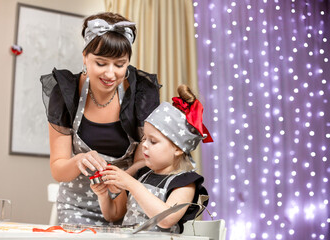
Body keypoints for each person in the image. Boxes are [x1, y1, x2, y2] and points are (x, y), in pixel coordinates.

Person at [40, 12, 161, 225]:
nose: (110, 74)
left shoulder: (141, 93)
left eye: (120, 64)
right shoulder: (67, 92)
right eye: (101, 63)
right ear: (85, 57)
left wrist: (123, 177)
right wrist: (78, 161)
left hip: (130, 205)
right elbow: (58, 169)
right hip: (77, 207)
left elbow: (146, 161)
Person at [91, 85, 213, 233]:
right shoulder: (142, 174)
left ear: (178, 149)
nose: (145, 146)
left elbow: (166, 219)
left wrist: (131, 184)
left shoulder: (185, 183)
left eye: (153, 141)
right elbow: (113, 215)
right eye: (144, 139)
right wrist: (103, 195)